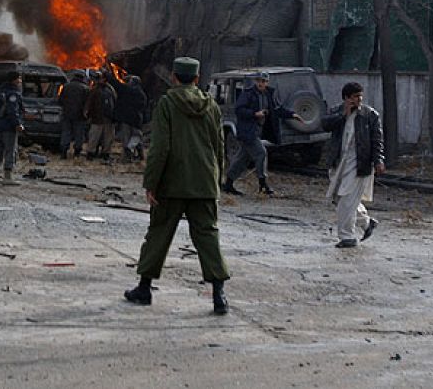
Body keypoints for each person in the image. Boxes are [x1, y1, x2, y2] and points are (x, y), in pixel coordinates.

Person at [124, 57, 231, 315]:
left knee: (159, 233)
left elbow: (160, 148)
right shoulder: (212, 105)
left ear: (173, 77)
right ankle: (219, 295)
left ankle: (144, 288)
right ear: (196, 79)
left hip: (172, 183)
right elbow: (219, 145)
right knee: (207, 236)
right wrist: (218, 179)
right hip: (204, 182)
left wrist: (151, 183)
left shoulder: (167, 104)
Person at [322, 82, 385, 248]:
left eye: (360, 96)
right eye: (355, 96)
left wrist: (378, 160)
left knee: (347, 199)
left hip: (359, 164)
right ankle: (366, 223)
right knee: (339, 197)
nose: (359, 99)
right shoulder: (337, 111)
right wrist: (343, 114)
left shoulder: (370, 115)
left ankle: (347, 236)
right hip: (339, 161)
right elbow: (324, 125)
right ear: (346, 98)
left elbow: (377, 140)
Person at [222, 72, 302, 196]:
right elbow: (239, 109)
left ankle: (228, 183)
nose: (261, 83)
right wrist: (254, 114)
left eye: (264, 81)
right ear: (255, 81)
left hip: (257, 131)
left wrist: (292, 115)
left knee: (242, 158)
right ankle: (263, 185)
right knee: (261, 153)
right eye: (259, 81)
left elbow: (276, 109)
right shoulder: (248, 94)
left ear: (267, 82)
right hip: (248, 131)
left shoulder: (269, 94)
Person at [0, 71, 24, 186]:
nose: (20, 81)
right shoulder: (13, 94)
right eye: (19, 79)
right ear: (14, 80)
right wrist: (18, 124)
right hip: (9, 127)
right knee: (10, 150)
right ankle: (7, 176)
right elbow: (12, 111)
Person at [104, 69, 147, 162]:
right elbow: (143, 107)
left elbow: (116, 84)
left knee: (127, 139)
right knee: (137, 136)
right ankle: (137, 156)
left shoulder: (126, 90)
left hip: (126, 119)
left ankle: (127, 154)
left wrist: (107, 75)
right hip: (136, 119)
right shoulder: (142, 94)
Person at [84, 71, 117, 161]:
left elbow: (114, 102)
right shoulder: (95, 90)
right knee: (94, 137)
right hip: (97, 118)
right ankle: (90, 153)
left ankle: (105, 153)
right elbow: (89, 102)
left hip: (108, 119)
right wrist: (87, 112)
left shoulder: (110, 90)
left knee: (107, 138)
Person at [58, 70, 89, 159]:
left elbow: (60, 100)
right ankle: (77, 153)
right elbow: (87, 103)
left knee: (66, 133)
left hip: (67, 114)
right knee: (79, 134)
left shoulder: (66, 86)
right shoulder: (85, 88)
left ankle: (63, 152)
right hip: (80, 116)